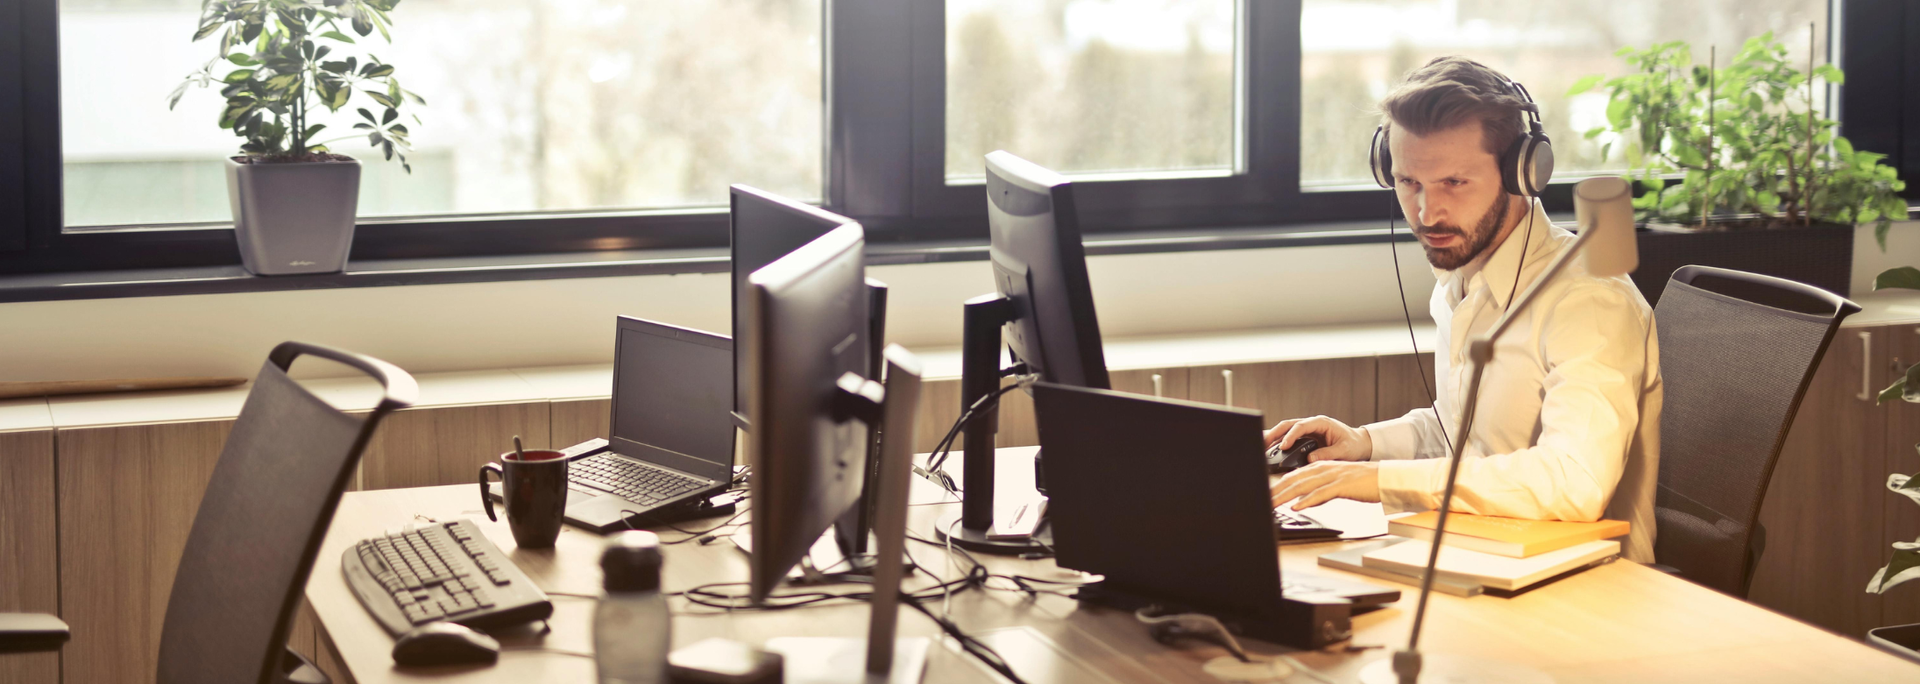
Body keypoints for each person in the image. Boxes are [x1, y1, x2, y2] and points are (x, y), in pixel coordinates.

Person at [1266, 57, 1662, 563]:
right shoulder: (1461, 280)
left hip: (1587, 586)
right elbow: (1466, 436)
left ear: (1522, 172)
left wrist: (1381, 480)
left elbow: (1574, 483)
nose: (1427, 214)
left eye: (1454, 183)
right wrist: (1364, 445)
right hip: (1479, 553)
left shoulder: (1589, 300)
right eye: (1409, 183)